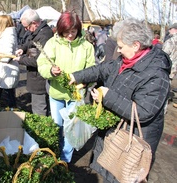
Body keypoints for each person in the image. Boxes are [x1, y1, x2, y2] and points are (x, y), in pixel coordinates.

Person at [68, 18, 171, 182]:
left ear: (136, 45)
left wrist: (108, 96)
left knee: (124, 175)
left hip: (134, 140)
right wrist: (77, 76)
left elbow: (143, 112)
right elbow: (102, 69)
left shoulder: (156, 74)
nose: (118, 50)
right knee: (111, 171)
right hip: (119, 134)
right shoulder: (125, 61)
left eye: (121, 47)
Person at [37, 11, 95, 163]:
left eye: (73, 32)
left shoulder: (87, 47)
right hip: (56, 93)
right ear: (60, 30)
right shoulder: (52, 44)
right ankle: (54, 153)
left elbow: (92, 69)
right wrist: (51, 71)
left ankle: (64, 160)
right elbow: (42, 64)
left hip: (76, 95)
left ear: (78, 30)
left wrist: (84, 81)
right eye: (66, 32)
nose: (70, 35)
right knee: (57, 125)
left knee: (71, 129)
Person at [13, 9, 53, 116]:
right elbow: (31, 42)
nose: (26, 30)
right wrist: (23, 48)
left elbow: (39, 61)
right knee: (37, 106)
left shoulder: (45, 35)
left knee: (39, 109)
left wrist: (21, 60)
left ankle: (41, 131)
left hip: (39, 79)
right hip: (35, 77)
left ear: (34, 23)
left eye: (27, 27)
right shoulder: (38, 31)